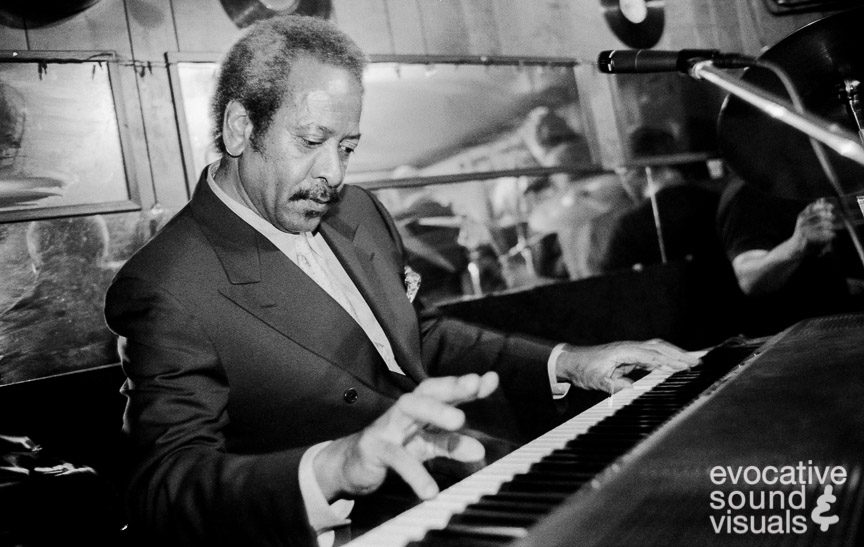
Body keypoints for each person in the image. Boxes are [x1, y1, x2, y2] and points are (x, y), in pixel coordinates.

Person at [103, 15, 700, 546]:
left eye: (348, 147)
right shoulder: (166, 284)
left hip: (472, 477)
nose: (333, 174)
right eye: (311, 142)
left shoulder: (357, 210)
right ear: (239, 128)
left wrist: (568, 362)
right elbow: (163, 489)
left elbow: (420, 336)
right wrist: (336, 465)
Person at [716, 176, 864, 336]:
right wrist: (798, 243)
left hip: (835, 326)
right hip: (790, 338)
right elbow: (749, 277)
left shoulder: (815, 184)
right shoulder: (749, 193)